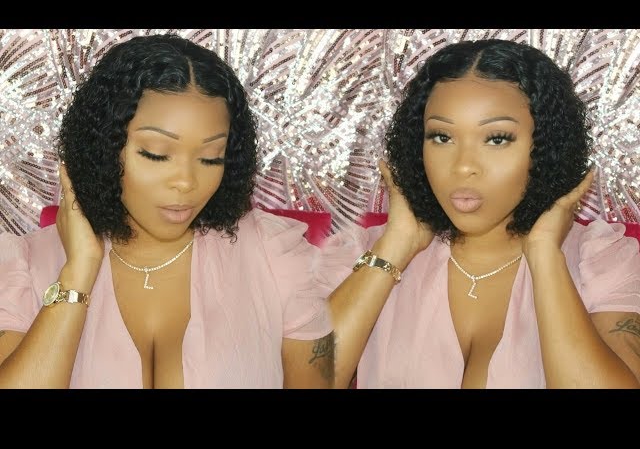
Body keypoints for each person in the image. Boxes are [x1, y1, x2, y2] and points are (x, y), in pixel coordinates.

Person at [0, 34, 336, 388]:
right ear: (104, 148)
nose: (187, 182)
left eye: (211, 158)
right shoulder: (23, 266)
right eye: (157, 154)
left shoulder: (275, 254)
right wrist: (77, 276)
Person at [326, 39, 640, 388]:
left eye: (497, 139)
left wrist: (545, 255)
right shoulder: (366, 254)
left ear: (545, 146)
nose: (463, 167)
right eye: (441, 137)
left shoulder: (599, 260)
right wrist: (396, 245)